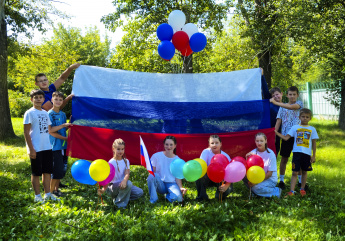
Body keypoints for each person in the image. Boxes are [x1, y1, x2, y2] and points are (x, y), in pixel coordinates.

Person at [24, 89, 66, 202]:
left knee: (47, 172)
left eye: (40, 97)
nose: (38, 99)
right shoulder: (29, 113)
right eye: (36, 97)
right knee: (36, 172)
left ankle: (47, 194)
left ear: (44, 99)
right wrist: (31, 149)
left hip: (47, 147)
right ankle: (37, 196)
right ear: (31, 99)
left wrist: (64, 126)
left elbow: (49, 130)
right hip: (36, 148)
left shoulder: (44, 113)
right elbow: (26, 132)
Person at [275, 108, 318, 197]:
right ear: (299, 117)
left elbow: (314, 143)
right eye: (303, 116)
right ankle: (292, 191)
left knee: (305, 171)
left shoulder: (312, 129)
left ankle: (302, 189)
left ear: (310, 118)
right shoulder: (295, 128)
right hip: (296, 154)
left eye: (307, 117)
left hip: (306, 154)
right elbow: (286, 138)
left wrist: (313, 156)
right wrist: (275, 132)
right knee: (295, 172)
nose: (305, 118)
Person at [270, 86, 303, 190]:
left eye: (294, 94)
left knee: (299, 159)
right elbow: (278, 121)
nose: (292, 96)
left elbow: (292, 107)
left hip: (298, 136)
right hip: (285, 137)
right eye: (290, 94)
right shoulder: (282, 107)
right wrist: (274, 134)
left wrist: (276, 103)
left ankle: (301, 181)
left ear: (297, 95)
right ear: (287, 95)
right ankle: (282, 181)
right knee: (284, 158)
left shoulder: (300, 104)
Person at [97, 138, 143, 208]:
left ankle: (122, 198)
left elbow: (127, 173)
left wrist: (124, 180)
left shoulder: (126, 161)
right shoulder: (111, 162)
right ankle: (120, 205)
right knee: (129, 183)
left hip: (124, 185)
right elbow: (108, 179)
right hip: (113, 187)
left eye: (122, 149)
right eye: (118, 149)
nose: (121, 151)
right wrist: (103, 189)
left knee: (139, 192)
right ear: (113, 149)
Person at [147, 136, 187, 204]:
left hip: (172, 184)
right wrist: (152, 180)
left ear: (175, 146)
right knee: (151, 176)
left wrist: (180, 188)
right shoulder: (156, 156)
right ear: (164, 145)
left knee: (179, 199)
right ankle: (153, 200)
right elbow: (151, 173)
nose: (169, 147)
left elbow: (177, 177)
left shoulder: (178, 160)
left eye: (171, 144)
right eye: (167, 144)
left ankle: (168, 196)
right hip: (160, 183)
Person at [48, 91, 72, 197]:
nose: (58, 101)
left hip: (63, 146)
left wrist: (69, 123)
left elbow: (63, 128)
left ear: (62, 102)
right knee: (56, 169)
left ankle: (56, 190)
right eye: (56, 99)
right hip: (55, 147)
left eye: (60, 100)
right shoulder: (49, 114)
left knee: (61, 169)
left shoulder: (62, 114)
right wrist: (65, 138)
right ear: (52, 100)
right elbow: (51, 130)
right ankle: (50, 192)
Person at [195, 135, 233, 201]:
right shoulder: (205, 152)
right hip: (208, 177)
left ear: (220, 144)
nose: (214, 145)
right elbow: (201, 167)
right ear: (209, 144)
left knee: (219, 197)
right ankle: (202, 197)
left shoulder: (225, 156)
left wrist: (226, 185)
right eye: (212, 143)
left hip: (221, 179)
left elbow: (231, 173)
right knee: (199, 175)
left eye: (216, 143)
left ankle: (221, 192)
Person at [244, 133, 281, 198]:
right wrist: (247, 159)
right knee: (243, 176)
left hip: (270, 179)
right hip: (257, 177)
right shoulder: (253, 153)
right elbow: (249, 170)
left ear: (266, 141)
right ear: (255, 141)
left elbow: (269, 174)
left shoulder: (270, 154)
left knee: (256, 188)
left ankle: (276, 191)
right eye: (257, 141)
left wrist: (255, 183)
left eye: (261, 141)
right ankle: (257, 192)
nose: (259, 143)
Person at [260, 68, 283, 155]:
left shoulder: (286, 106)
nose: (275, 96)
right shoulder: (269, 103)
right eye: (273, 95)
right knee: (264, 150)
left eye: (277, 94)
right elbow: (265, 89)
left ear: (281, 94)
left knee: (275, 151)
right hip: (266, 130)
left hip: (277, 133)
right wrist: (262, 76)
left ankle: (273, 168)